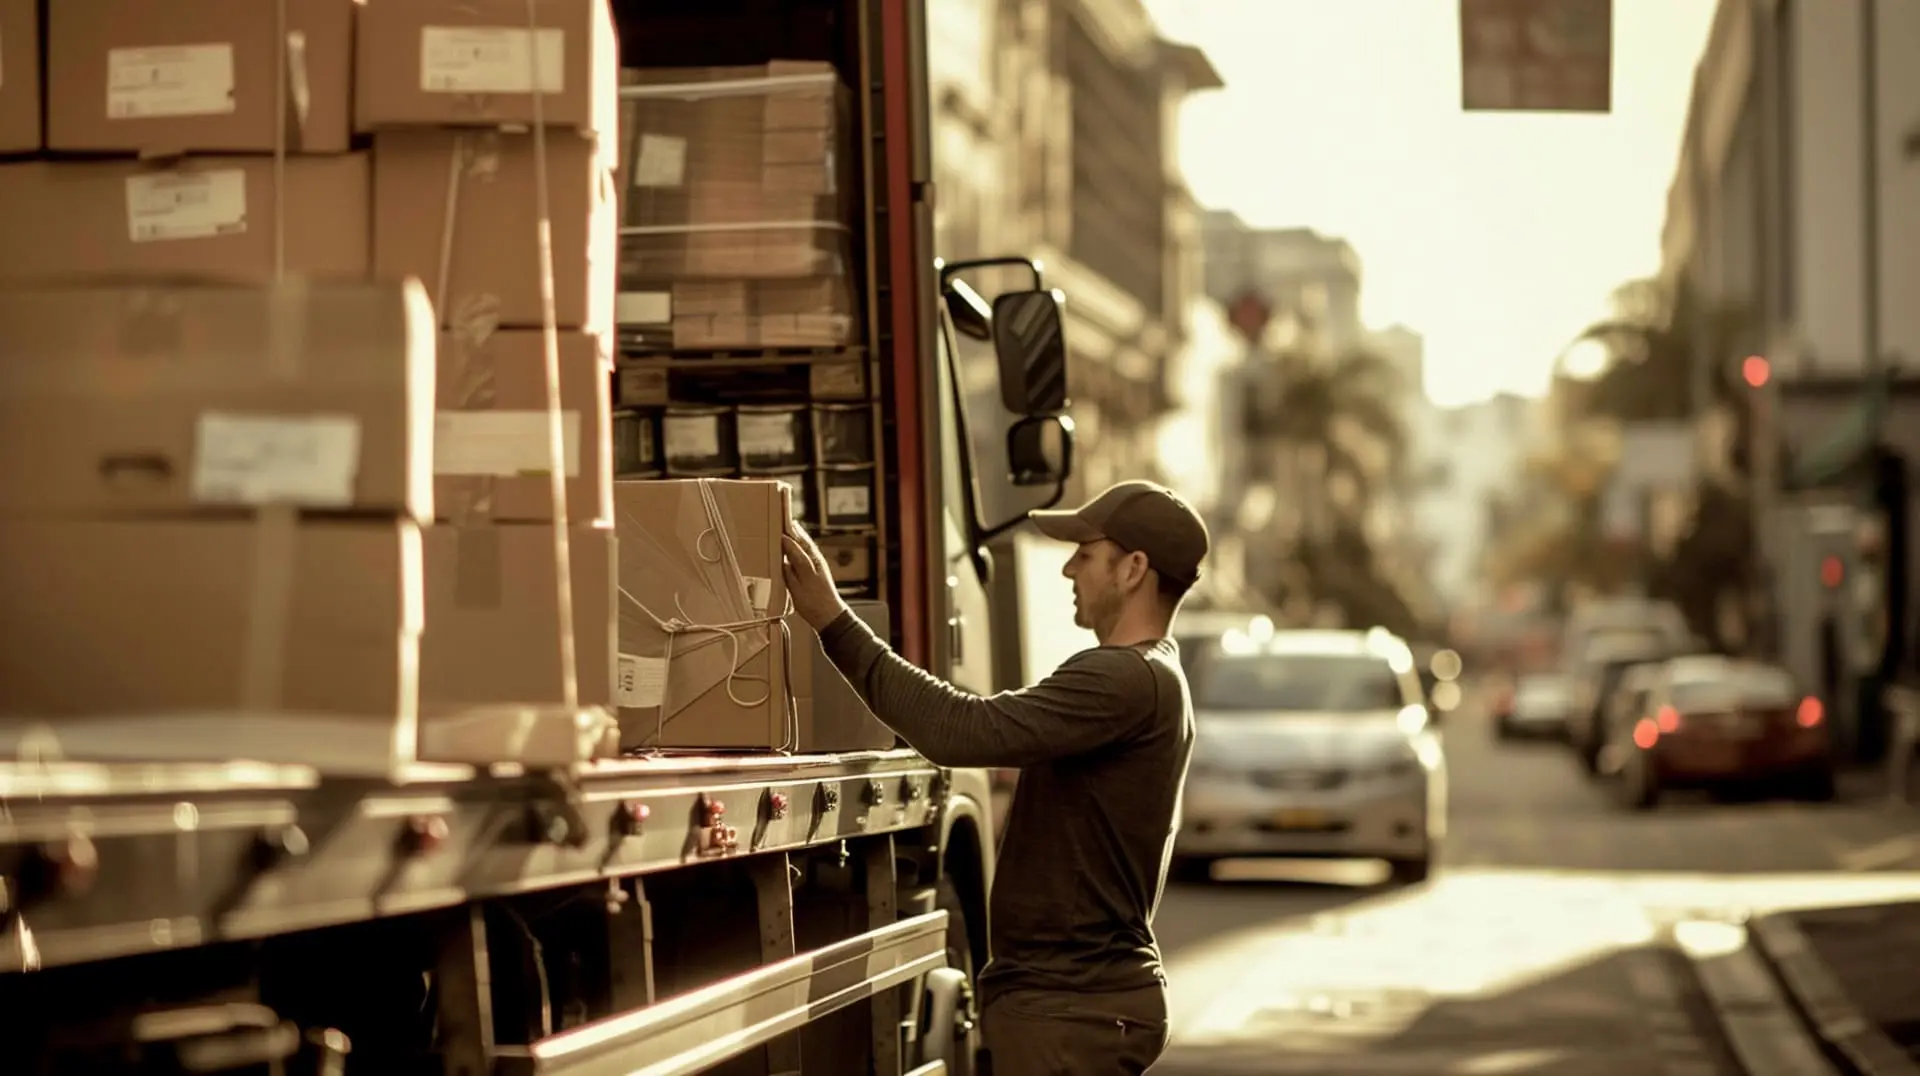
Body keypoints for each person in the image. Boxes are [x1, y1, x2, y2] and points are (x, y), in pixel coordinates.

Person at [781, 479, 1208, 1075]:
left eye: (1084, 554)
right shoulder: (1152, 678)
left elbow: (962, 729)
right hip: (1075, 1003)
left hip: (1071, 1008)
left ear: (1133, 568)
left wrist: (833, 621)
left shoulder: (1124, 679)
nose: (1067, 570)